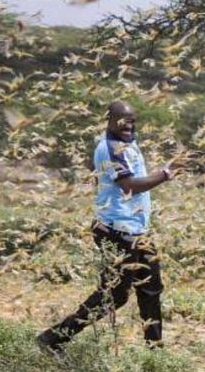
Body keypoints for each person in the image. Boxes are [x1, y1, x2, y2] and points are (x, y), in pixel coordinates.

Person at [37, 100, 181, 355]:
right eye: (124, 120)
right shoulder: (110, 148)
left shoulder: (128, 143)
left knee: (151, 289)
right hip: (116, 231)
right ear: (110, 120)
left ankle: (156, 353)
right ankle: (52, 339)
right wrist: (165, 174)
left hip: (138, 231)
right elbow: (128, 185)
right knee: (114, 295)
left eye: (133, 120)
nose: (129, 124)